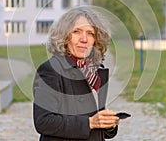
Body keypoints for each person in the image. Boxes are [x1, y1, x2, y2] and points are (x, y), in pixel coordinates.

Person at [33, 7, 120, 140]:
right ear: (65, 36)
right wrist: (90, 123)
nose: (84, 39)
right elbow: (43, 122)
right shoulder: (51, 70)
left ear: (96, 40)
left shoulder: (94, 71)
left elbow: (96, 118)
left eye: (90, 33)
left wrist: (109, 125)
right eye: (76, 32)